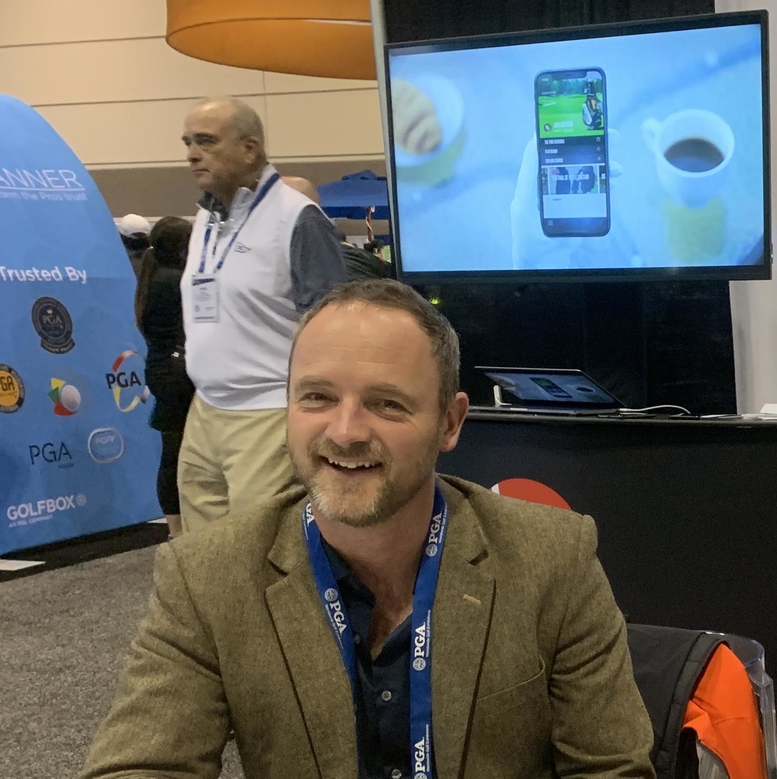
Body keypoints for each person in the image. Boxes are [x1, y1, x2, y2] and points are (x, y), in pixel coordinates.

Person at [83, 278, 655, 778]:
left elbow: (611, 769)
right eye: (317, 397)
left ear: (450, 423)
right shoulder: (206, 576)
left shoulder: (553, 558)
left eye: (386, 404)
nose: (346, 431)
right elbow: (140, 764)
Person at [176, 97, 349, 533]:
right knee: (201, 550)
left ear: (249, 148)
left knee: (257, 546)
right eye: (188, 142)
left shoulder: (296, 218)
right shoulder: (205, 220)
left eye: (206, 142)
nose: (192, 154)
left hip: (268, 412)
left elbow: (333, 326)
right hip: (205, 409)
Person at [136, 216, 195, 539]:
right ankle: (180, 529)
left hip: (162, 369)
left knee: (172, 452)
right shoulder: (175, 281)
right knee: (177, 454)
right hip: (177, 373)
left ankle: (177, 528)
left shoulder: (153, 276)